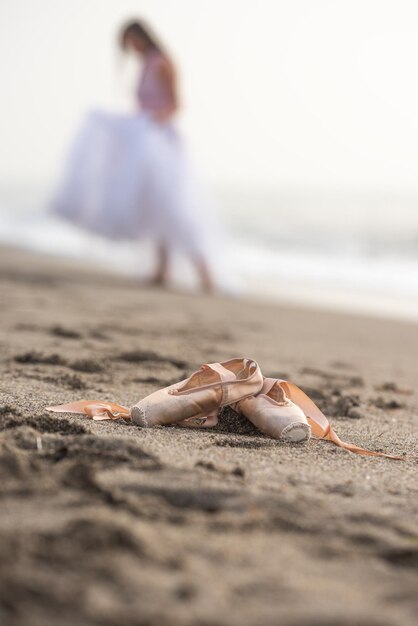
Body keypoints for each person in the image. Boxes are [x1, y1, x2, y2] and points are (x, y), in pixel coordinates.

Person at [52, 19, 214, 290]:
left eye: (132, 41)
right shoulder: (144, 64)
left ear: (142, 36)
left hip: (161, 142)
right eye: (127, 44)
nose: (131, 48)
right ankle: (162, 269)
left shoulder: (162, 62)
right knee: (152, 205)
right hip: (144, 141)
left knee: (173, 206)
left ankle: (204, 272)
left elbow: (175, 105)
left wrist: (149, 123)